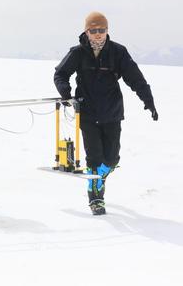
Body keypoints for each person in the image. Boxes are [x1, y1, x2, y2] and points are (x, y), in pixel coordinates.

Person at [54, 12, 158, 215]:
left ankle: (100, 176)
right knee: (94, 158)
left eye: (102, 30)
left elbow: (135, 78)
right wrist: (65, 92)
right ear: (87, 31)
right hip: (87, 113)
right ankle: (96, 199)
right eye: (94, 30)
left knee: (111, 160)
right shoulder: (77, 52)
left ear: (107, 31)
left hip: (112, 113)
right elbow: (60, 73)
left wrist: (149, 101)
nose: (98, 34)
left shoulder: (118, 52)